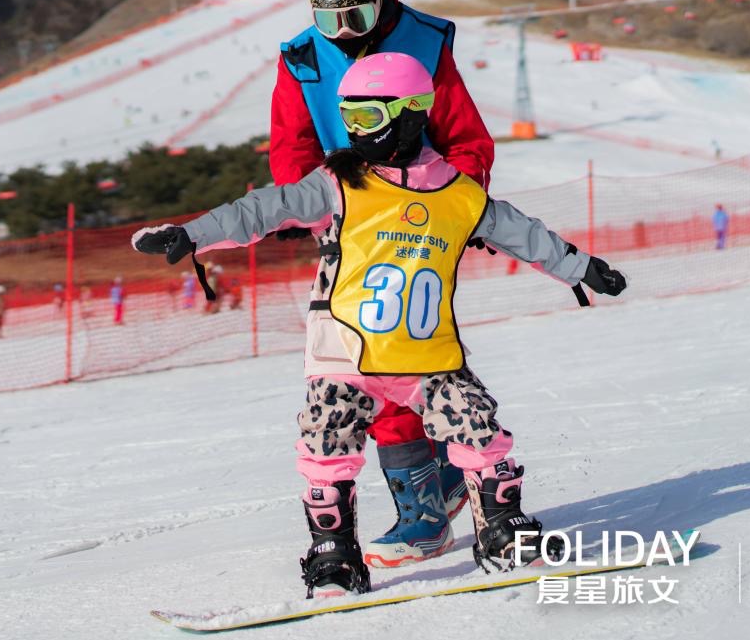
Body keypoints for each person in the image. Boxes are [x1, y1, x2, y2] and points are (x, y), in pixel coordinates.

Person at [133, 53, 627, 594]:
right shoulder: (337, 185)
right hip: (344, 350)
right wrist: (193, 234)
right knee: (327, 440)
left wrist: (582, 268)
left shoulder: (461, 197)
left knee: (476, 426)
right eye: (349, 118)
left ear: (413, 113)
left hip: (426, 354)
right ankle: (334, 555)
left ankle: (502, 530)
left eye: (368, 118)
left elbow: (523, 234)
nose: (355, 132)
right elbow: (263, 209)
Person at [267, 0, 496, 565]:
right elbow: (291, 148)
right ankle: (438, 484)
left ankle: (428, 507)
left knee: (397, 358)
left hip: (419, 226)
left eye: (358, 15)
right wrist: (304, 205)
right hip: (352, 231)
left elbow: (468, 139)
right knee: (361, 362)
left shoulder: (422, 42)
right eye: (327, 15)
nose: (343, 30)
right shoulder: (302, 60)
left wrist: (463, 205)